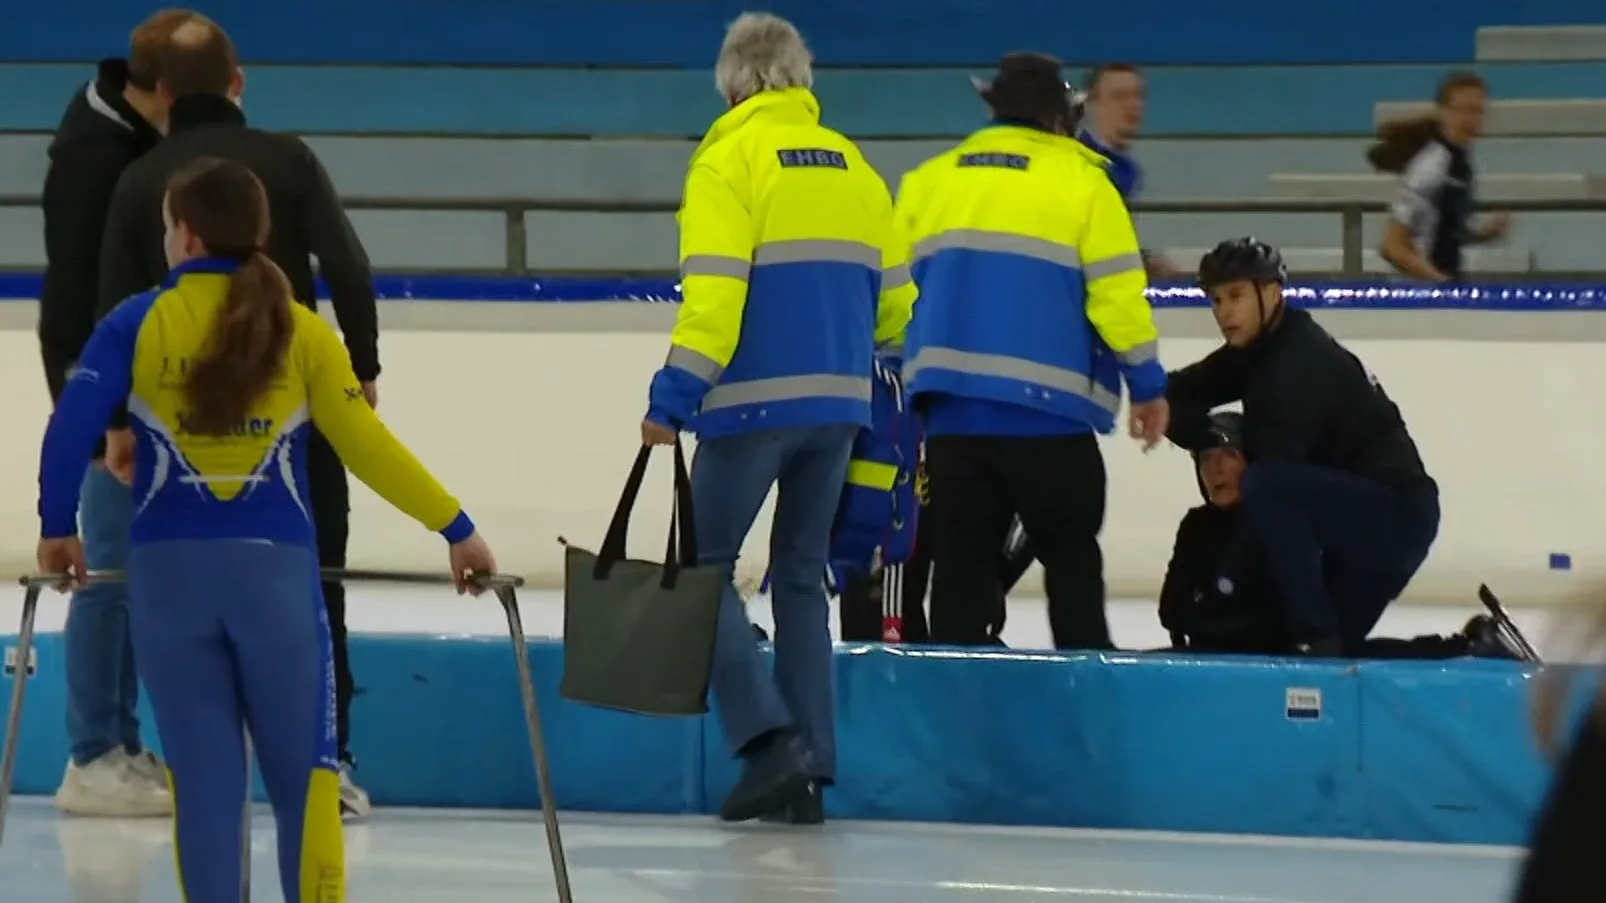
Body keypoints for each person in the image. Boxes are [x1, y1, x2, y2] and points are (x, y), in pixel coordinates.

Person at [35, 156, 497, 903]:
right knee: (305, 785)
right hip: (275, 584)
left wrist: (59, 529)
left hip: (168, 583)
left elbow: (70, 431)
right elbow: (368, 447)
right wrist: (457, 526)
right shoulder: (304, 331)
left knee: (206, 790)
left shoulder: (136, 321)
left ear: (183, 237)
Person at [94, 17, 382, 819]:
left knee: (182, 608)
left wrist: (117, 425)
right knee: (320, 580)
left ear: (160, 94)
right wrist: (360, 368)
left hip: (176, 436)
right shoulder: (288, 161)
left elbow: (111, 302)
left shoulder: (142, 178)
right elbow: (350, 268)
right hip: (297, 416)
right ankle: (332, 760)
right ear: (238, 82)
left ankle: (203, 770)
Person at [638, 12, 914, 826]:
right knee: (800, 576)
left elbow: (716, 299)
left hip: (751, 402)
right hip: (838, 404)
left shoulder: (728, 159)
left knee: (699, 572)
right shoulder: (857, 167)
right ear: (804, 79)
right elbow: (898, 308)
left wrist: (672, 398)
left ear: (732, 85)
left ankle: (766, 743)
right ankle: (813, 768)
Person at [896, 51, 1169, 651]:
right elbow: (1118, 298)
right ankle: (1082, 715)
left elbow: (892, 297)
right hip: (1052, 422)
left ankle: (958, 718)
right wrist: (1147, 386)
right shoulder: (1084, 184)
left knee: (959, 576)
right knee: (1072, 571)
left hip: (953, 421)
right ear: (1057, 117)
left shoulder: (929, 182)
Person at [36, 8, 202, 818]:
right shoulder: (94, 160)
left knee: (130, 572)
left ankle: (122, 741)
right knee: (105, 571)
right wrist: (96, 405)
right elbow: (73, 291)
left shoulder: (131, 141)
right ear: (165, 90)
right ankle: (92, 751)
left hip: (129, 387)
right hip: (103, 389)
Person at [1166, 237, 1440, 658]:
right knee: (1321, 648)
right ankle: (1466, 648)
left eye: (1236, 296)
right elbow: (1184, 389)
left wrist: (1225, 585)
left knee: (1267, 486)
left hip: (1392, 515)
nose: (1224, 312)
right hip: (1374, 517)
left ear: (1272, 293)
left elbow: (1269, 496)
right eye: (1217, 300)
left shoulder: (1297, 364)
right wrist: (1163, 406)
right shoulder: (1263, 348)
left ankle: (1314, 635)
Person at [1161, 411, 1523, 660]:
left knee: (1346, 657)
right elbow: (1171, 610)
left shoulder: (1277, 520)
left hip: (1280, 656)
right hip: (1217, 657)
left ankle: (1468, 648)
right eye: (1206, 458)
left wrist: (1216, 617)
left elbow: (1283, 609)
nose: (1215, 469)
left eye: (1228, 454)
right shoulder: (1195, 525)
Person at [1372, 71, 1510, 283]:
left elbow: (1441, 230)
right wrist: (1438, 283)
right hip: (1420, 295)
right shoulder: (1430, 166)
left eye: (1478, 111)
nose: (1471, 119)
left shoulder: (1462, 164)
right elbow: (1392, 246)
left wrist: (1483, 235)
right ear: (1443, 112)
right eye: (1463, 110)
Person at [1075, 62, 1181, 279]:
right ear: (1091, 104)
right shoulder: (1082, 164)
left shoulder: (1127, 169)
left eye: (1138, 96)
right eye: (1120, 96)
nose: (1132, 105)